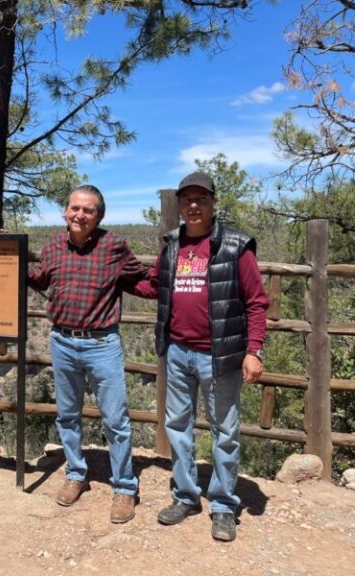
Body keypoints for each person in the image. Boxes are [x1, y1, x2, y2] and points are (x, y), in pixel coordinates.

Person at [131, 171, 268, 542]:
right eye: (187, 199)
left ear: (213, 203)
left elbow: (256, 301)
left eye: (201, 199)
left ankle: (223, 506)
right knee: (177, 427)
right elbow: (153, 285)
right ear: (179, 205)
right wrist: (113, 274)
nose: (193, 205)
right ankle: (187, 496)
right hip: (177, 352)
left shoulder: (236, 246)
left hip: (219, 356)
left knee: (225, 432)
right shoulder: (172, 245)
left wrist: (254, 349)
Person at [27, 185, 148, 524]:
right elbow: (39, 280)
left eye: (88, 210)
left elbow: (141, 278)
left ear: (99, 216)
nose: (79, 215)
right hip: (62, 341)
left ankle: (125, 486)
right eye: (74, 208)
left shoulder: (114, 246)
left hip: (102, 344)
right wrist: (12, 254)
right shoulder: (53, 245)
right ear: (66, 211)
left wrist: (179, 287)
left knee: (115, 420)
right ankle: (76, 473)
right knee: (67, 414)